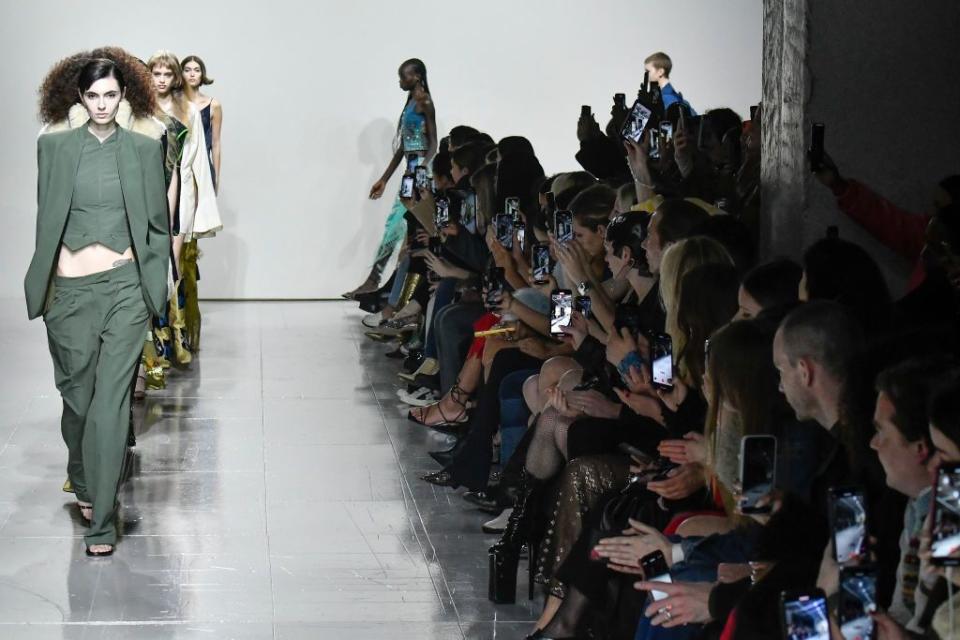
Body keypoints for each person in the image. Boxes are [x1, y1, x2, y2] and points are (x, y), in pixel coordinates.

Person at [25, 57, 170, 556]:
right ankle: (83, 476)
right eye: (94, 96)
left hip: (125, 289)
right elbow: (48, 220)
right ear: (79, 99)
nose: (103, 105)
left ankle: (103, 521)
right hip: (69, 294)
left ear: (124, 96)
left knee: (109, 405)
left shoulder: (146, 150)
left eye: (111, 95)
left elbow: (155, 223)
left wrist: (156, 287)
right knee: (78, 404)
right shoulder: (54, 148)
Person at [345, 58, 438, 299]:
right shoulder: (410, 103)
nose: (400, 82)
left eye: (403, 77)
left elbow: (433, 143)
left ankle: (378, 283)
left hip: (418, 174)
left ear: (416, 76)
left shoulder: (424, 102)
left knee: (397, 227)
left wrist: (421, 172)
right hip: (411, 171)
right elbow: (403, 148)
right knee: (398, 228)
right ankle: (388, 290)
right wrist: (385, 179)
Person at [181, 55, 222, 191]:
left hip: (203, 166)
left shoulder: (213, 105)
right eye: (187, 70)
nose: (192, 74)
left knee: (202, 210)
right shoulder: (174, 103)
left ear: (202, 74)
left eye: (196, 70)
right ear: (180, 74)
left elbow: (216, 144)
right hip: (179, 166)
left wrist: (216, 176)